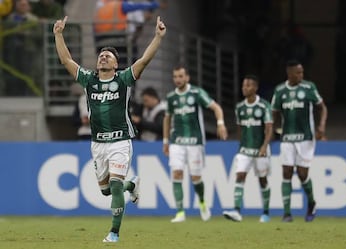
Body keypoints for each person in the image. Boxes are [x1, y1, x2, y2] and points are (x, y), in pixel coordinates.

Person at [53, 15, 166, 242]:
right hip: (98, 143)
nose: (103, 57)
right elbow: (66, 60)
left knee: (114, 187)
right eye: (101, 55)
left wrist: (157, 37)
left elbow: (144, 60)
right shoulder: (89, 80)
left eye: (109, 56)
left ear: (116, 64)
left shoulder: (124, 79)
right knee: (106, 190)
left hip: (120, 141)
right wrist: (58, 34)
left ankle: (113, 233)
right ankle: (131, 184)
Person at [163, 65, 228, 223]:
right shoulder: (171, 97)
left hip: (195, 142)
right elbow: (167, 119)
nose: (178, 79)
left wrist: (220, 123)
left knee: (195, 177)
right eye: (175, 77)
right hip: (176, 141)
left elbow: (216, 107)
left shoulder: (197, 93)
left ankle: (202, 202)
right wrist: (165, 140)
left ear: (187, 78)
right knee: (176, 174)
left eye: (180, 76)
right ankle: (180, 212)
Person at [271, 60, 327, 222]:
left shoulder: (309, 88)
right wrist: (272, 130)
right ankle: (287, 213)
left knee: (303, 174)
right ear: (289, 73)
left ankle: (312, 203)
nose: (301, 75)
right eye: (298, 73)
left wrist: (321, 126)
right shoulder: (280, 90)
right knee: (286, 172)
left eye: (302, 72)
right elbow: (274, 112)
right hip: (287, 137)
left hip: (306, 138)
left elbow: (322, 107)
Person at [222, 75, 273, 223]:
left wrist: (264, 146)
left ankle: (266, 213)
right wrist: (242, 145)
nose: (245, 88)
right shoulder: (240, 107)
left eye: (249, 85)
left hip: (260, 150)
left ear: (256, 88)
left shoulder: (264, 106)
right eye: (244, 85)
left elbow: (269, 128)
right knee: (240, 176)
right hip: (244, 150)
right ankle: (237, 211)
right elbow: (240, 129)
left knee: (262, 180)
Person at [93, 0, 160, 69]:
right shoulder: (119, 5)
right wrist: (152, 5)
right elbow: (134, 7)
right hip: (117, 41)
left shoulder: (102, 8)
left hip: (101, 42)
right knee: (126, 62)